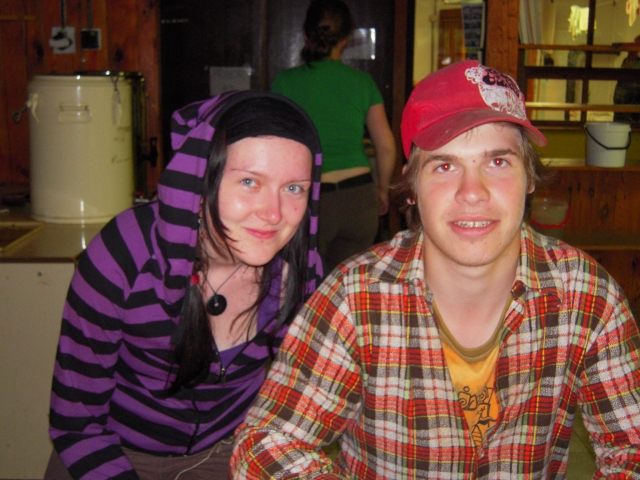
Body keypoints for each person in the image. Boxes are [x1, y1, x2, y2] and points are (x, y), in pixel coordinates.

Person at [230, 60, 640, 478]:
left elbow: (632, 449)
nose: (473, 192)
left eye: (498, 162)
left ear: (529, 177)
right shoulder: (355, 297)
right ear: (412, 187)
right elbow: (265, 444)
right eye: (445, 165)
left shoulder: (586, 294)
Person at [44, 90, 323, 479]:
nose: (274, 214)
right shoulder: (125, 252)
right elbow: (76, 420)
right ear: (200, 178)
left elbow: (300, 402)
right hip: (109, 452)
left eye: (294, 188)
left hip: (223, 453)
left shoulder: (299, 270)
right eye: (249, 181)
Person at [271, 0, 396, 271]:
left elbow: (275, 146)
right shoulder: (363, 82)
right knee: (350, 285)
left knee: (306, 285)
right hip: (359, 198)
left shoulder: (285, 82)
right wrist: (383, 191)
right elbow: (386, 146)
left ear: (306, 34)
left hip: (313, 199)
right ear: (346, 39)